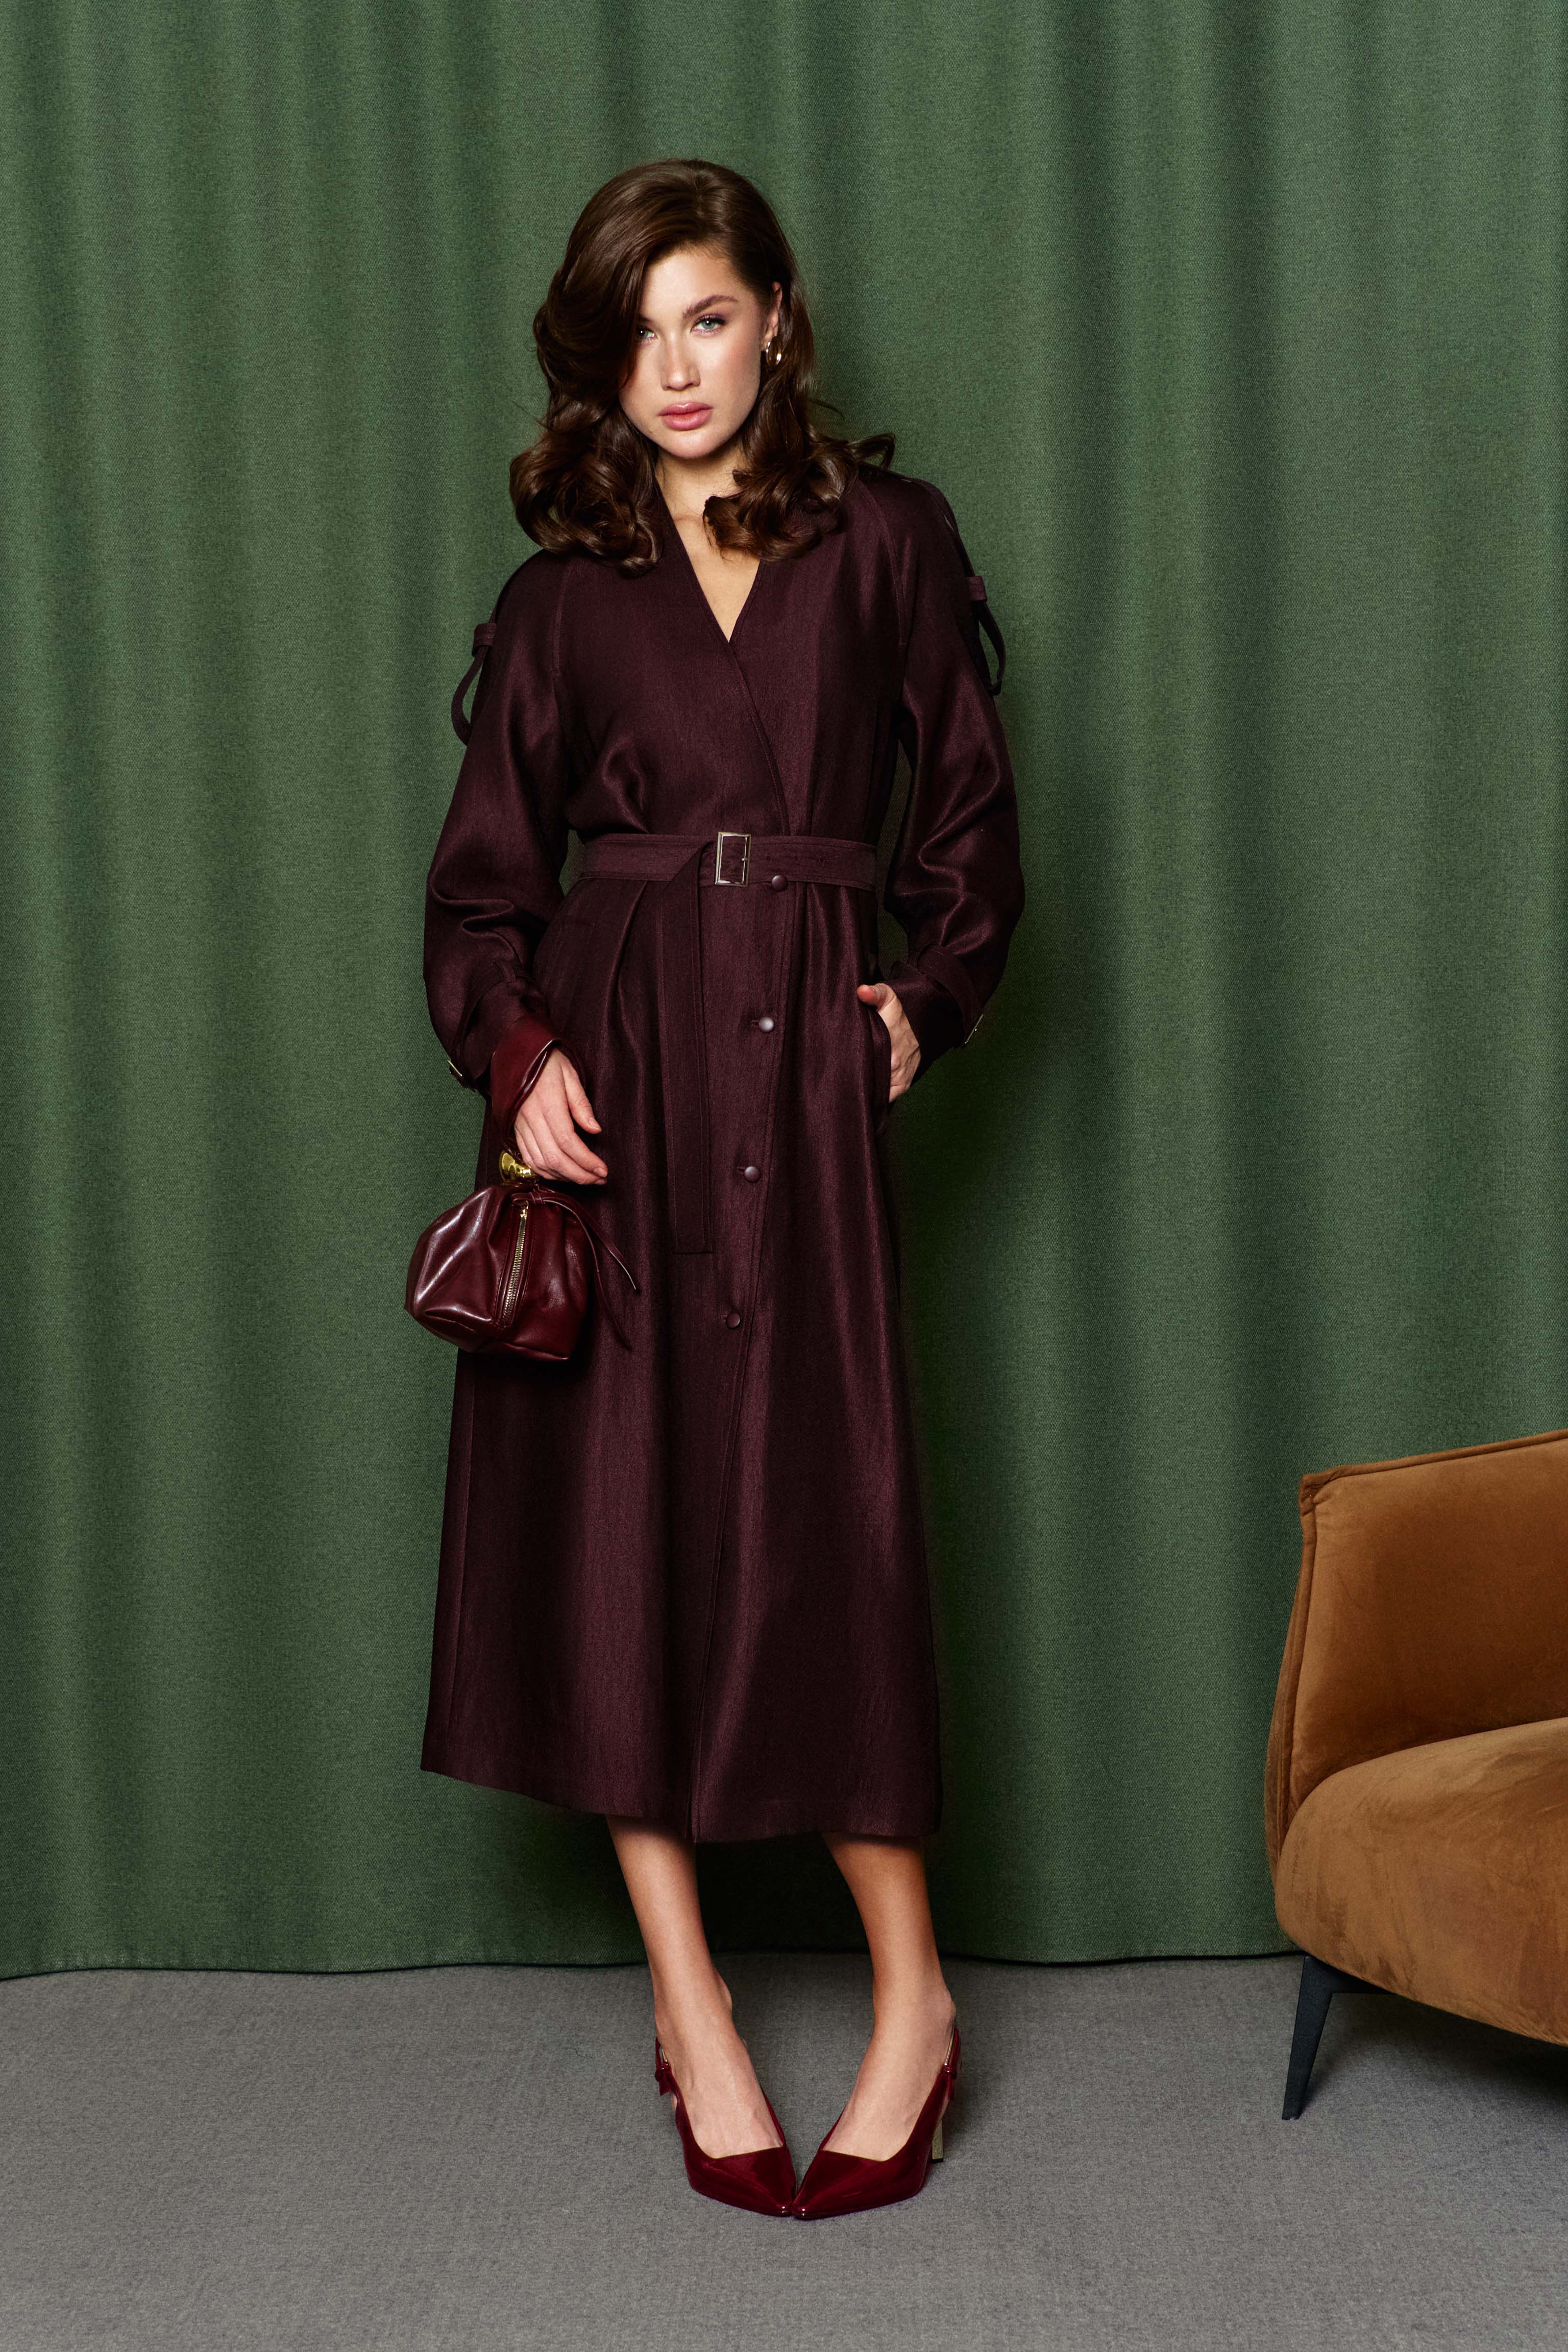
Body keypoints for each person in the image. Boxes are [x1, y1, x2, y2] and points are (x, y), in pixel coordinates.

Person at [421, 157, 1024, 2220]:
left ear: (776, 317)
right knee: (614, 1536)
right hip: (616, 1094)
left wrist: (923, 1005)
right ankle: (690, 2002)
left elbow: (971, 825)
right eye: (636, 333)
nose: (675, 369)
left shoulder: (893, 546)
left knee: (829, 1528)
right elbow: (480, 893)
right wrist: (522, 1060)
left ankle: (914, 2001)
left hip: (808, 1089)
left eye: (707, 316)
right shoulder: (559, 598)